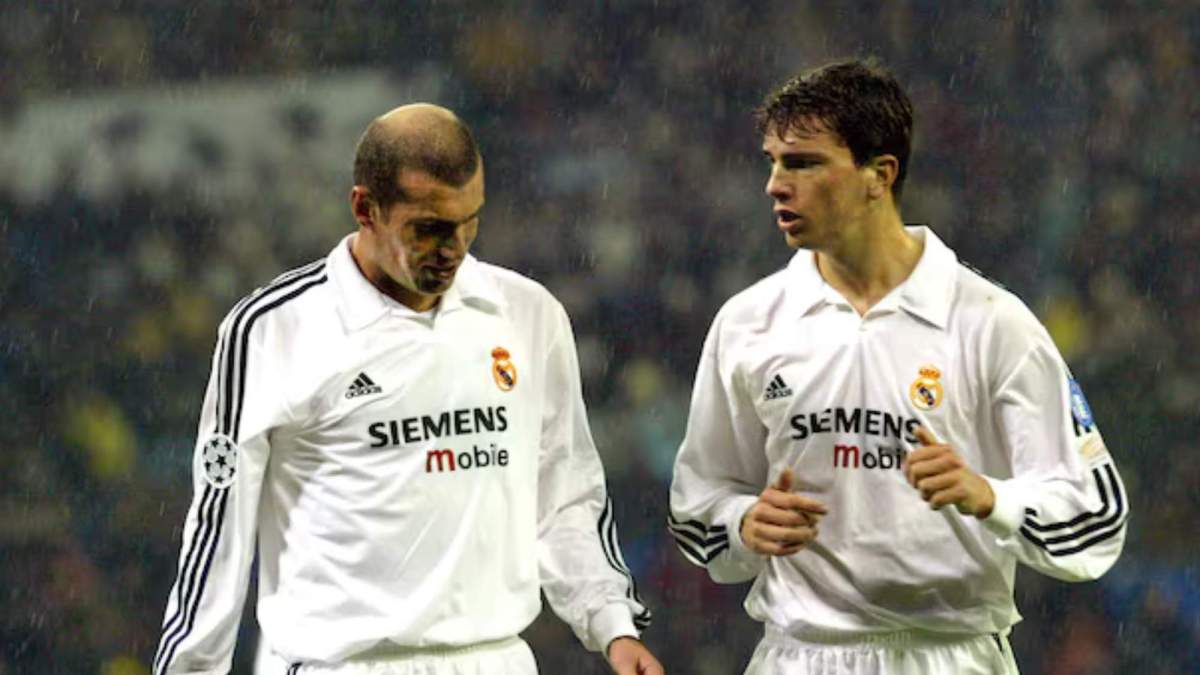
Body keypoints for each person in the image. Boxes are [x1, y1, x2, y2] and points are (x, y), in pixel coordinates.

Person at [153, 104, 663, 675]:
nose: (454, 246)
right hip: (340, 664)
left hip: (496, 660)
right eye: (429, 228)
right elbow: (219, 524)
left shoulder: (528, 314)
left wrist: (612, 623)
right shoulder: (272, 330)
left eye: (470, 221)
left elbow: (564, 494)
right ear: (364, 209)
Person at [667, 59, 1128, 674]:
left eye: (803, 163)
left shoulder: (992, 322)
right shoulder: (748, 323)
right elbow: (696, 502)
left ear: (878, 175)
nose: (775, 183)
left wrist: (989, 496)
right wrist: (742, 519)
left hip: (948, 656)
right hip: (797, 656)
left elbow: (1095, 518)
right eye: (773, 161)